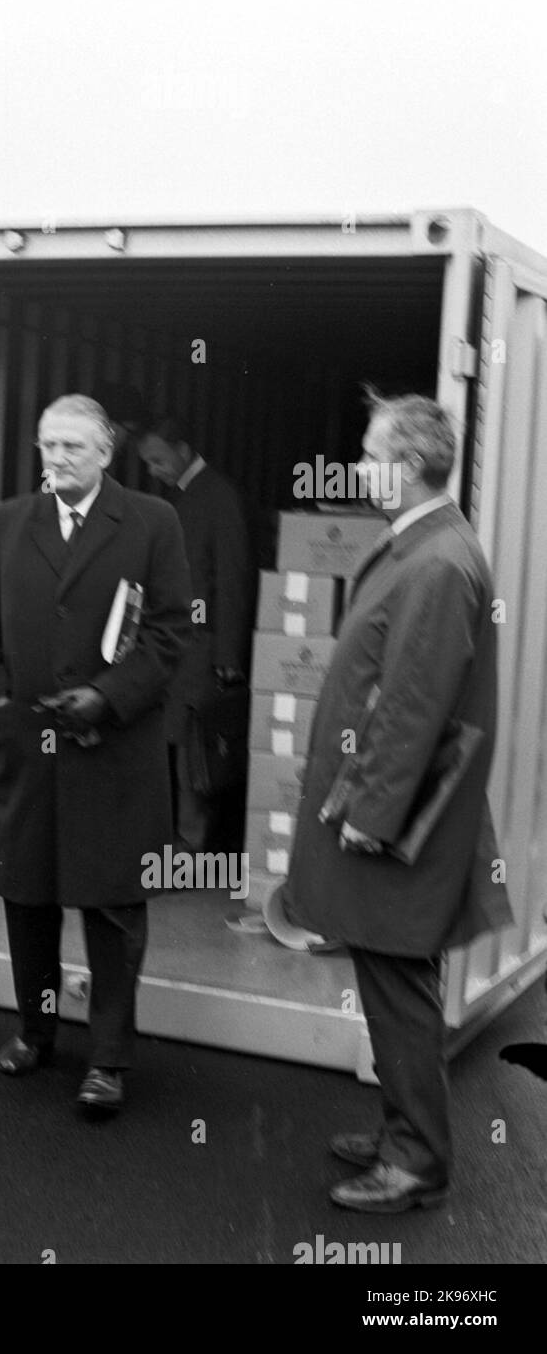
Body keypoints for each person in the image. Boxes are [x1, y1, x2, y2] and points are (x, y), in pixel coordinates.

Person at [284, 390, 511, 1214]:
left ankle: (416, 1160)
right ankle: (401, 1128)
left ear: (408, 465)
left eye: (369, 452)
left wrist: (370, 818)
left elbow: (413, 704)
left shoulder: (440, 560)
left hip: (394, 821)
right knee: (388, 979)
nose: (357, 466)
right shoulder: (422, 545)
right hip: (386, 808)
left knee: (398, 986)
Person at [0, 394, 192, 1111]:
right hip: (28, 749)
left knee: (113, 909)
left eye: (72, 448)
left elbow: (170, 633)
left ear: (106, 452)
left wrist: (109, 697)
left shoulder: (153, 523)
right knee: (28, 898)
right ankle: (36, 1030)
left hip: (113, 753)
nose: (56, 459)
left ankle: (109, 1060)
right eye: (47, 446)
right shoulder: (5, 524)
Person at [135, 417, 254, 853]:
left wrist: (228, 654)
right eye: (148, 462)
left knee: (193, 753)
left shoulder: (218, 495)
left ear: (183, 448)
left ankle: (192, 849)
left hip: (204, 650)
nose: (153, 470)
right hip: (176, 646)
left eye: (159, 460)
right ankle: (179, 843)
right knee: (173, 745)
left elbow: (233, 577)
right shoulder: (182, 495)